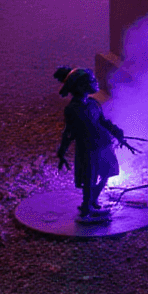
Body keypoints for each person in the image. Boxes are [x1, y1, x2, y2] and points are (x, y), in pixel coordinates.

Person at [54, 66, 131, 221]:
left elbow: (102, 121)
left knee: (107, 173)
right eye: (91, 81)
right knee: (89, 179)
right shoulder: (72, 109)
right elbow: (69, 132)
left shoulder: (93, 103)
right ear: (80, 86)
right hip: (88, 149)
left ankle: (92, 201)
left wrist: (117, 132)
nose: (95, 82)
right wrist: (62, 151)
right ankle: (86, 208)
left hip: (103, 144)